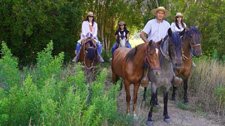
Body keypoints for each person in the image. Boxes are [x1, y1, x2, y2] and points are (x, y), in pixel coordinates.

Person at [140, 6, 182, 86]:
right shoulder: (150, 22)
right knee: (146, 58)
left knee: (171, 56)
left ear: (164, 15)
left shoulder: (167, 24)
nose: (160, 15)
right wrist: (147, 42)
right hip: (152, 46)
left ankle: (173, 76)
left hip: (163, 46)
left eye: (162, 13)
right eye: (159, 13)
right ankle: (145, 76)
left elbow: (170, 36)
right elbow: (142, 34)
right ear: (156, 14)